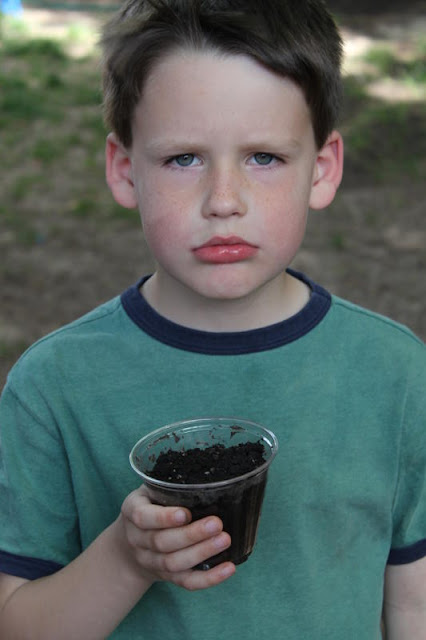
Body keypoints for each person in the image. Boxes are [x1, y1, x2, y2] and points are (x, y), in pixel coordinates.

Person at [0, 0, 425, 637]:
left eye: (264, 158)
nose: (223, 201)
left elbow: (412, 605)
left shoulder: (395, 374)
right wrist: (125, 558)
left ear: (322, 169)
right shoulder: (55, 386)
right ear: (124, 171)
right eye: (183, 159)